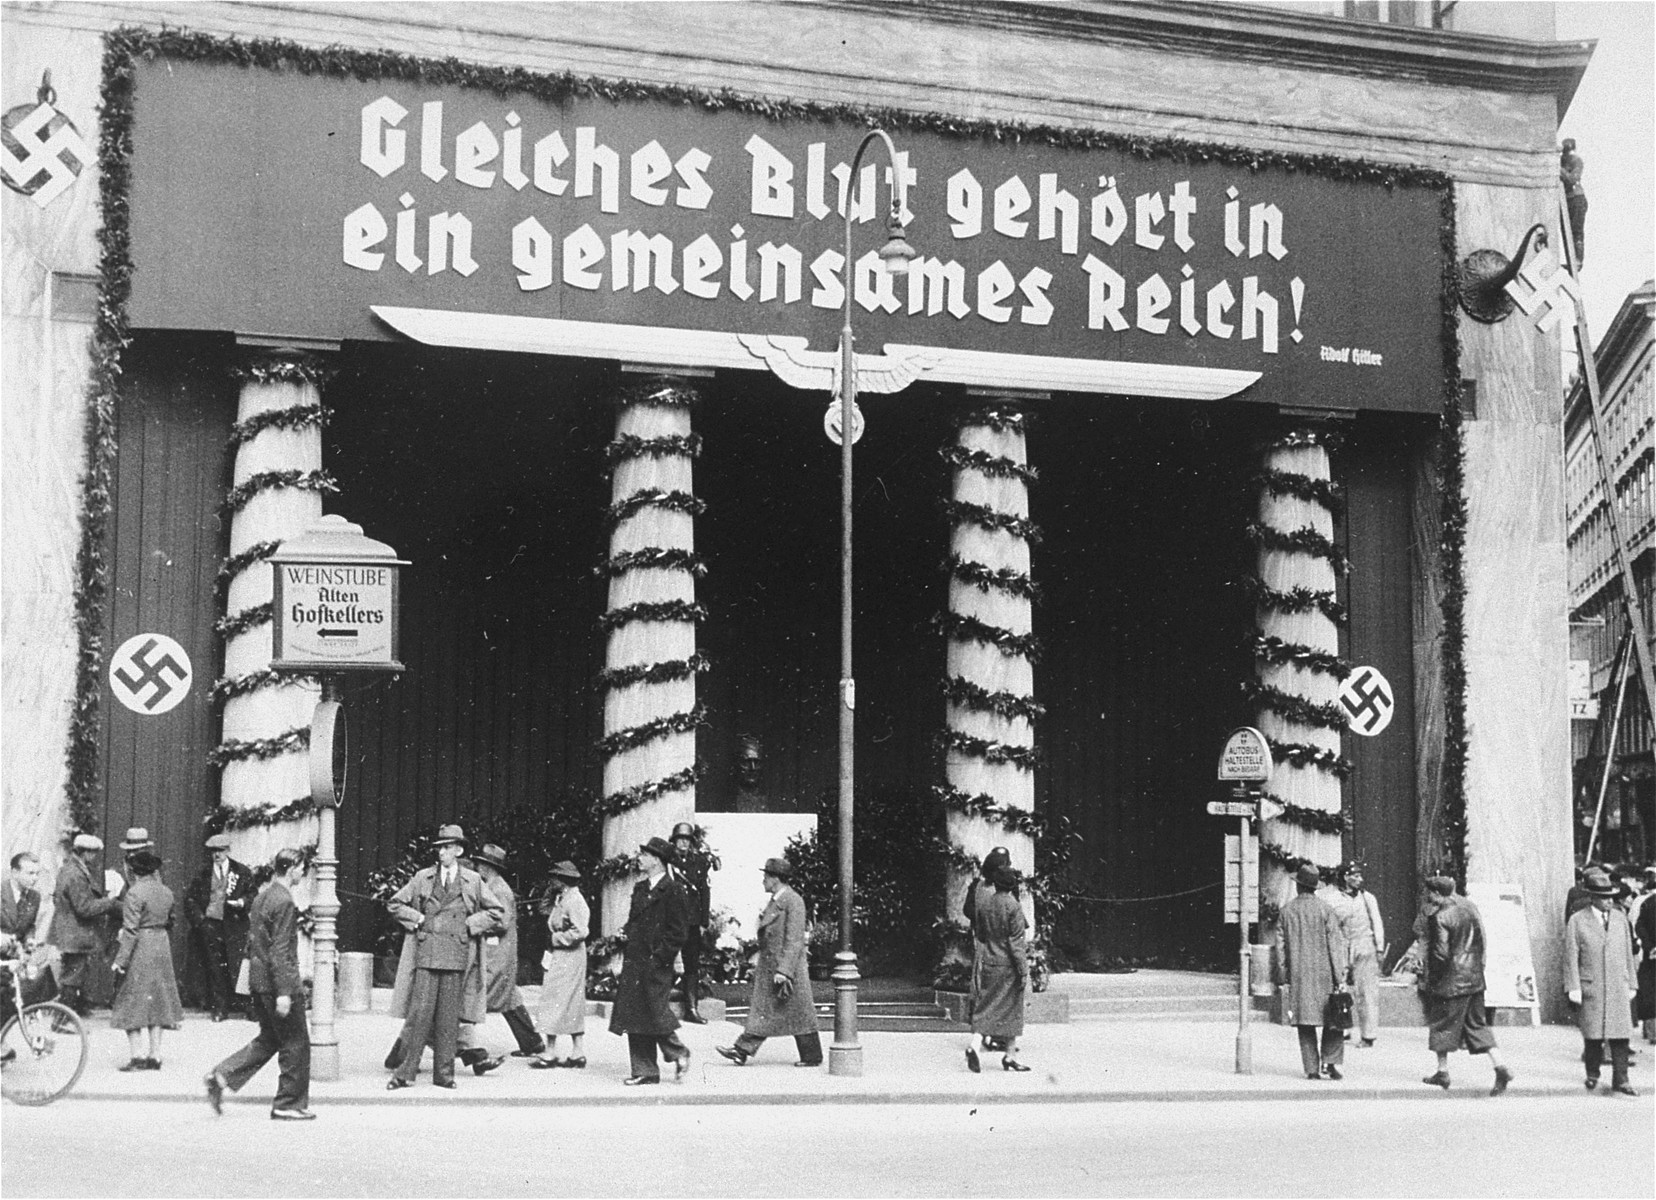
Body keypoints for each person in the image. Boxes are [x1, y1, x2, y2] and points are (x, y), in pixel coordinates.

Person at [384, 824, 506, 1091]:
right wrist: (416, 919)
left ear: (459, 850)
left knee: (449, 1018)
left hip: (456, 954)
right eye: (439, 848)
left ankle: (444, 1075)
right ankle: (404, 1074)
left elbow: (497, 911)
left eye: (447, 848)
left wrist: (471, 925)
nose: (441, 853)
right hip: (426, 953)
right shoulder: (422, 878)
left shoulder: (472, 880)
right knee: (419, 1015)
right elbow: (395, 903)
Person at [204, 848, 314, 1120]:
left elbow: (255, 944)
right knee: (296, 1042)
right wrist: (286, 993)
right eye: (302, 868)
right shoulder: (285, 901)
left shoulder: (263, 896)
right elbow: (281, 951)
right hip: (278, 985)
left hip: (259, 981)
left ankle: (222, 1075)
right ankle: (287, 1104)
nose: (303, 872)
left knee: (270, 1039)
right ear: (292, 868)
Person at [716, 858, 822, 1068]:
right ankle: (742, 1051)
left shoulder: (793, 901)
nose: (763, 880)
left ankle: (810, 1055)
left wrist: (784, 970)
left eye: (766, 876)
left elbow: (794, 940)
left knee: (794, 1012)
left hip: (785, 968)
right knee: (775, 1011)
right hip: (773, 967)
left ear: (775, 879)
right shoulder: (778, 900)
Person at [1418, 875, 1514, 1094]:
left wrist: (1433, 979)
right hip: (1475, 978)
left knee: (1441, 1025)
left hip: (1452, 981)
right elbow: (1480, 941)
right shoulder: (1469, 910)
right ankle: (1500, 1066)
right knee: (1477, 1025)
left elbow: (1441, 954)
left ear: (1435, 893)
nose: (1428, 896)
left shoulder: (1440, 917)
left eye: (1429, 893)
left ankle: (1442, 1072)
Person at [609, 836, 692, 1085]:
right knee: (635, 1013)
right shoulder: (641, 888)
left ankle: (678, 1051)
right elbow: (635, 921)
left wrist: (660, 958)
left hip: (656, 962)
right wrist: (625, 933)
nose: (640, 858)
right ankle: (644, 1070)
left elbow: (678, 932)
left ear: (656, 860)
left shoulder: (674, 890)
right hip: (635, 959)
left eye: (645, 855)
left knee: (654, 1011)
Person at [1564, 867, 1638, 1095]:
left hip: (1617, 983)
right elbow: (1570, 955)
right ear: (1593, 898)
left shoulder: (1620, 918)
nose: (1608, 902)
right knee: (1593, 1034)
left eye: (1611, 898)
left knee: (1620, 1034)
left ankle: (1621, 1079)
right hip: (1592, 983)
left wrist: (1632, 982)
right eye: (1604, 898)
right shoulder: (1578, 920)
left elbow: (1627, 952)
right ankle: (1592, 1074)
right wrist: (1573, 986)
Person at [110, 850, 183, 1071]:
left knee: (131, 998)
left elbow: (130, 930)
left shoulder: (134, 893)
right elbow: (171, 921)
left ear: (134, 871)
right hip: (161, 944)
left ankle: (137, 1056)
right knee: (158, 999)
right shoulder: (166, 892)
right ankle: (155, 1055)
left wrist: (120, 960)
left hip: (142, 946)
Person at [471, 844, 546, 1058]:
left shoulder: (499, 889)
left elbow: (501, 922)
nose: (477, 867)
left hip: (498, 953)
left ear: (488, 867)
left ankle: (449, 1041)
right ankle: (532, 1043)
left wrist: (476, 924)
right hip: (500, 951)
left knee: (475, 996)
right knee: (510, 998)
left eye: (480, 864)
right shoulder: (494, 886)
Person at [1278, 863, 1348, 1081]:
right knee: (1334, 1018)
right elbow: (1336, 947)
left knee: (1305, 1022)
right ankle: (1331, 1062)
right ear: (1315, 887)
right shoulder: (1326, 910)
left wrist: (1283, 976)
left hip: (1300, 976)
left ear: (1298, 886)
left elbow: (1280, 950)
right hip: (1325, 974)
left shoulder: (1286, 911)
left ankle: (1311, 1069)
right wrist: (1341, 977)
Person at [963, 860, 1030, 1073]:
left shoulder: (986, 905)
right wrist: (1023, 969)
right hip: (1008, 965)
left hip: (989, 961)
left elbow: (981, 935)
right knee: (1012, 1008)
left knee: (987, 1005)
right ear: (1012, 885)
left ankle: (981, 1046)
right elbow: (1016, 943)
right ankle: (1008, 1055)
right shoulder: (1013, 906)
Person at [47, 833, 122, 1017]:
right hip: (75, 934)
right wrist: (109, 901)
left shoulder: (73, 869)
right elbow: (84, 908)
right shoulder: (75, 874)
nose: (95, 857)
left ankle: (72, 1013)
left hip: (71, 933)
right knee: (72, 977)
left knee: (74, 974)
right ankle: (62, 1019)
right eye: (93, 853)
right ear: (85, 853)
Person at [185, 832, 254, 1021]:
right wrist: (201, 921)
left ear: (228, 850)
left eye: (221, 850)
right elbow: (190, 899)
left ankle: (247, 1007)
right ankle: (220, 1009)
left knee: (239, 965)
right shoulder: (203, 874)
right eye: (214, 851)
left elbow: (252, 894)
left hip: (235, 925)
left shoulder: (241, 872)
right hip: (211, 926)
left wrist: (242, 902)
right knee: (215, 967)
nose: (217, 855)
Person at [531, 860, 590, 1069]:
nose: (552, 880)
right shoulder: (562, 898)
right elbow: (545, 910)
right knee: (561, 999)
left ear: (563, 879)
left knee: (556, 999)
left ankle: (553, 1051)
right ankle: (574, 1051)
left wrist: (557, 939)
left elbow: (581, 931)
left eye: (555, 877)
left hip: (569, 955)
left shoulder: (574, 900)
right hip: (562, 955)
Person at [1329, 862, 1385, 1047]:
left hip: (1364, 944)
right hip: (1343, 944)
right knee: (1340, 986)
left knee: (1366, 990)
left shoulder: (1367, 898)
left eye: (1361, 876)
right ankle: (1343, 1028)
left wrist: (1379, 948)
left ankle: (1368, 1035)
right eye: (1355, 876)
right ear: (1345, 877)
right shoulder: (1333, 899)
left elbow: (1377, 922)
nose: (1360, 879)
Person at [963, 846, 1012, 1055]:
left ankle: (988, 1034)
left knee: (983, 985)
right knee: (993, 987)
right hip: (994, 944)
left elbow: (968, 910)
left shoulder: (978, 886)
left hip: (983, 940)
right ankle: (989, 1033)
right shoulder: (995, 888)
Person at [2, 852, 54, 1021]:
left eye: (37, 873)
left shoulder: (34, 896)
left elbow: (29, 925)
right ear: (15, 872)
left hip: (12, 957)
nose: (35, 878)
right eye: (30, 873)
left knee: (11, 1000)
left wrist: (30, 940)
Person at [670, 822, 711, 1024]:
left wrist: (704, 921)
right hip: (672, 919)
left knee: (692, 964)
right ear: (674, 841)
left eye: (687, 839)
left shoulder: (700, 862)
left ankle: (691, 1009)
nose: (684, 843)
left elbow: (704, 891)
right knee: (665, 959)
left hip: (692, 921)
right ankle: (661, 1007)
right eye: (680, 839)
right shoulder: (667, 861)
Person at [1634, 867, 1656, 1045]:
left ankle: (1651, 1031)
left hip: (1652, 955)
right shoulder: (1650, 903)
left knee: (1650, 993)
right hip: (1652, 956)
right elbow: (1639, 926)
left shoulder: (1649, 902)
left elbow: (1639, 926)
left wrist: (1650, 947)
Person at [1559, 138, 1586, 266]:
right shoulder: (1561, 161)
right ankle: (1572, 259)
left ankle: (1578, 260)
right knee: (1567, 231)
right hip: (1567, 199)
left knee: (1576, 231)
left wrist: (1559, 169)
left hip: (1576, 199)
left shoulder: (1576, 161)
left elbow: (1572, 179)